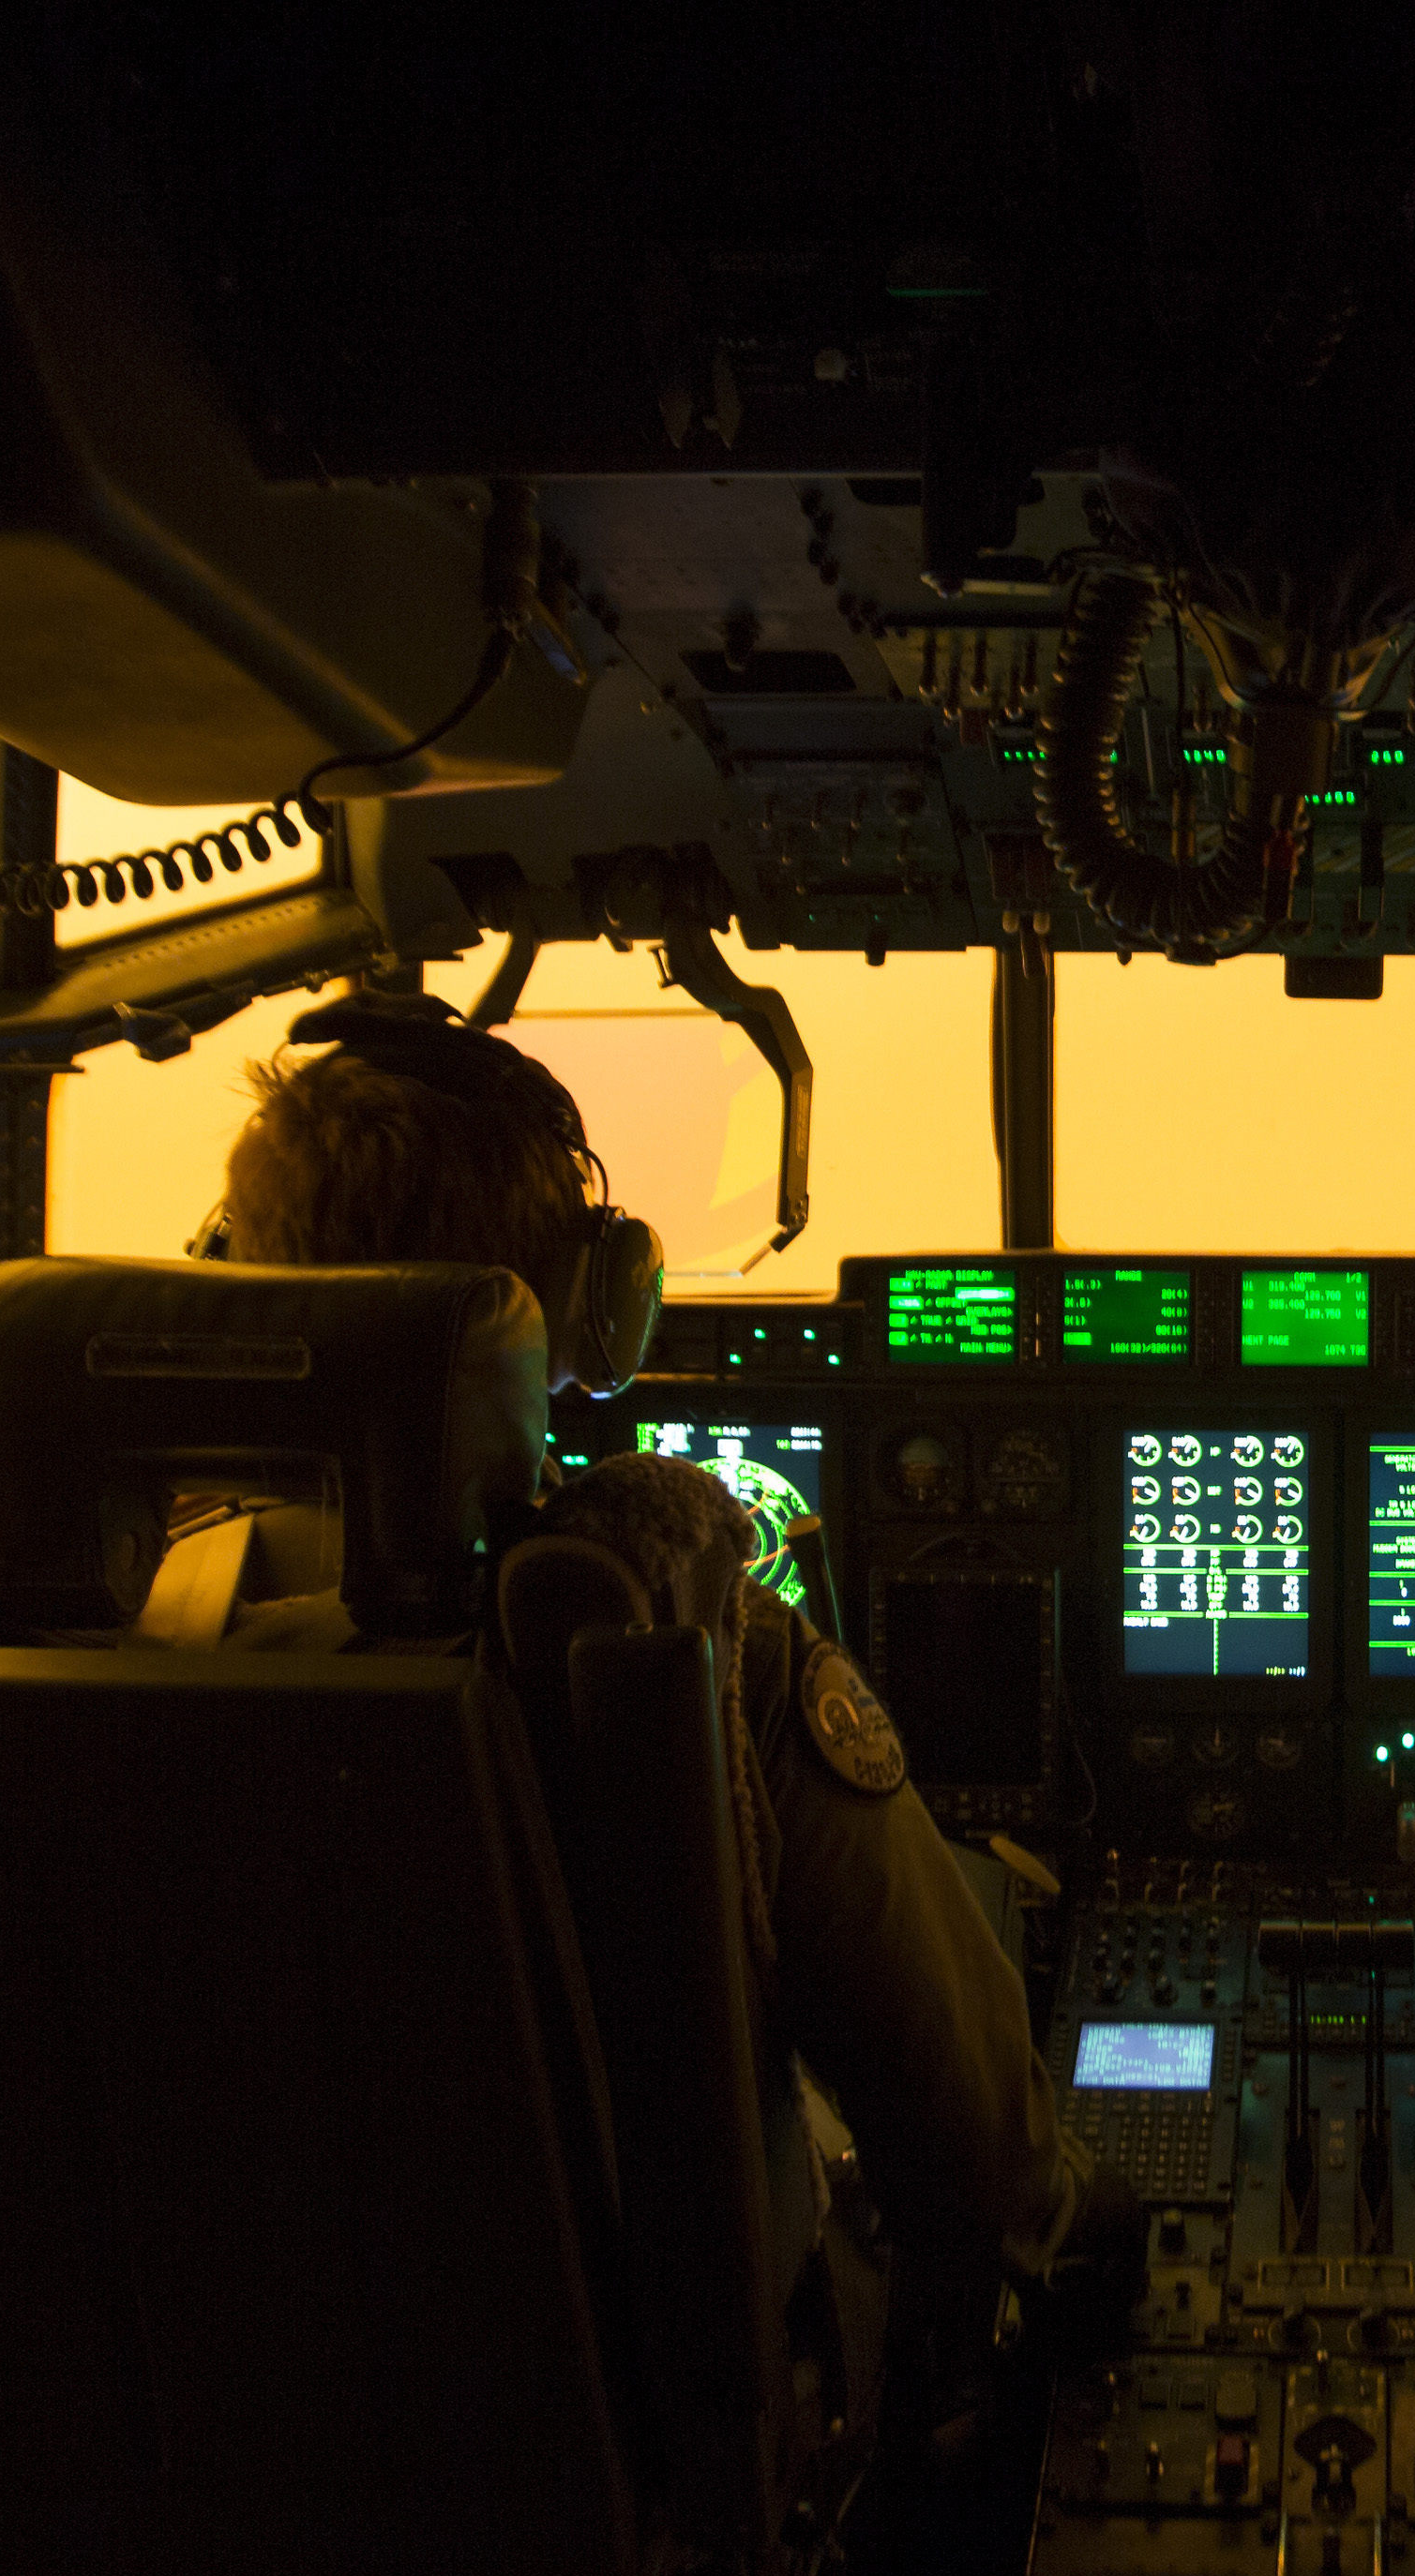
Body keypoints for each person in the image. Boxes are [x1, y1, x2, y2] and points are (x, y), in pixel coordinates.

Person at [202, 996, 1134, 2338]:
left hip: (177, 2429)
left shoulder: (48, 1651)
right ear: (585, 1308)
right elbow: (979, 2153)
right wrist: (1093, 2214)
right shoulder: (688, 1658)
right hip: (638, 2432)